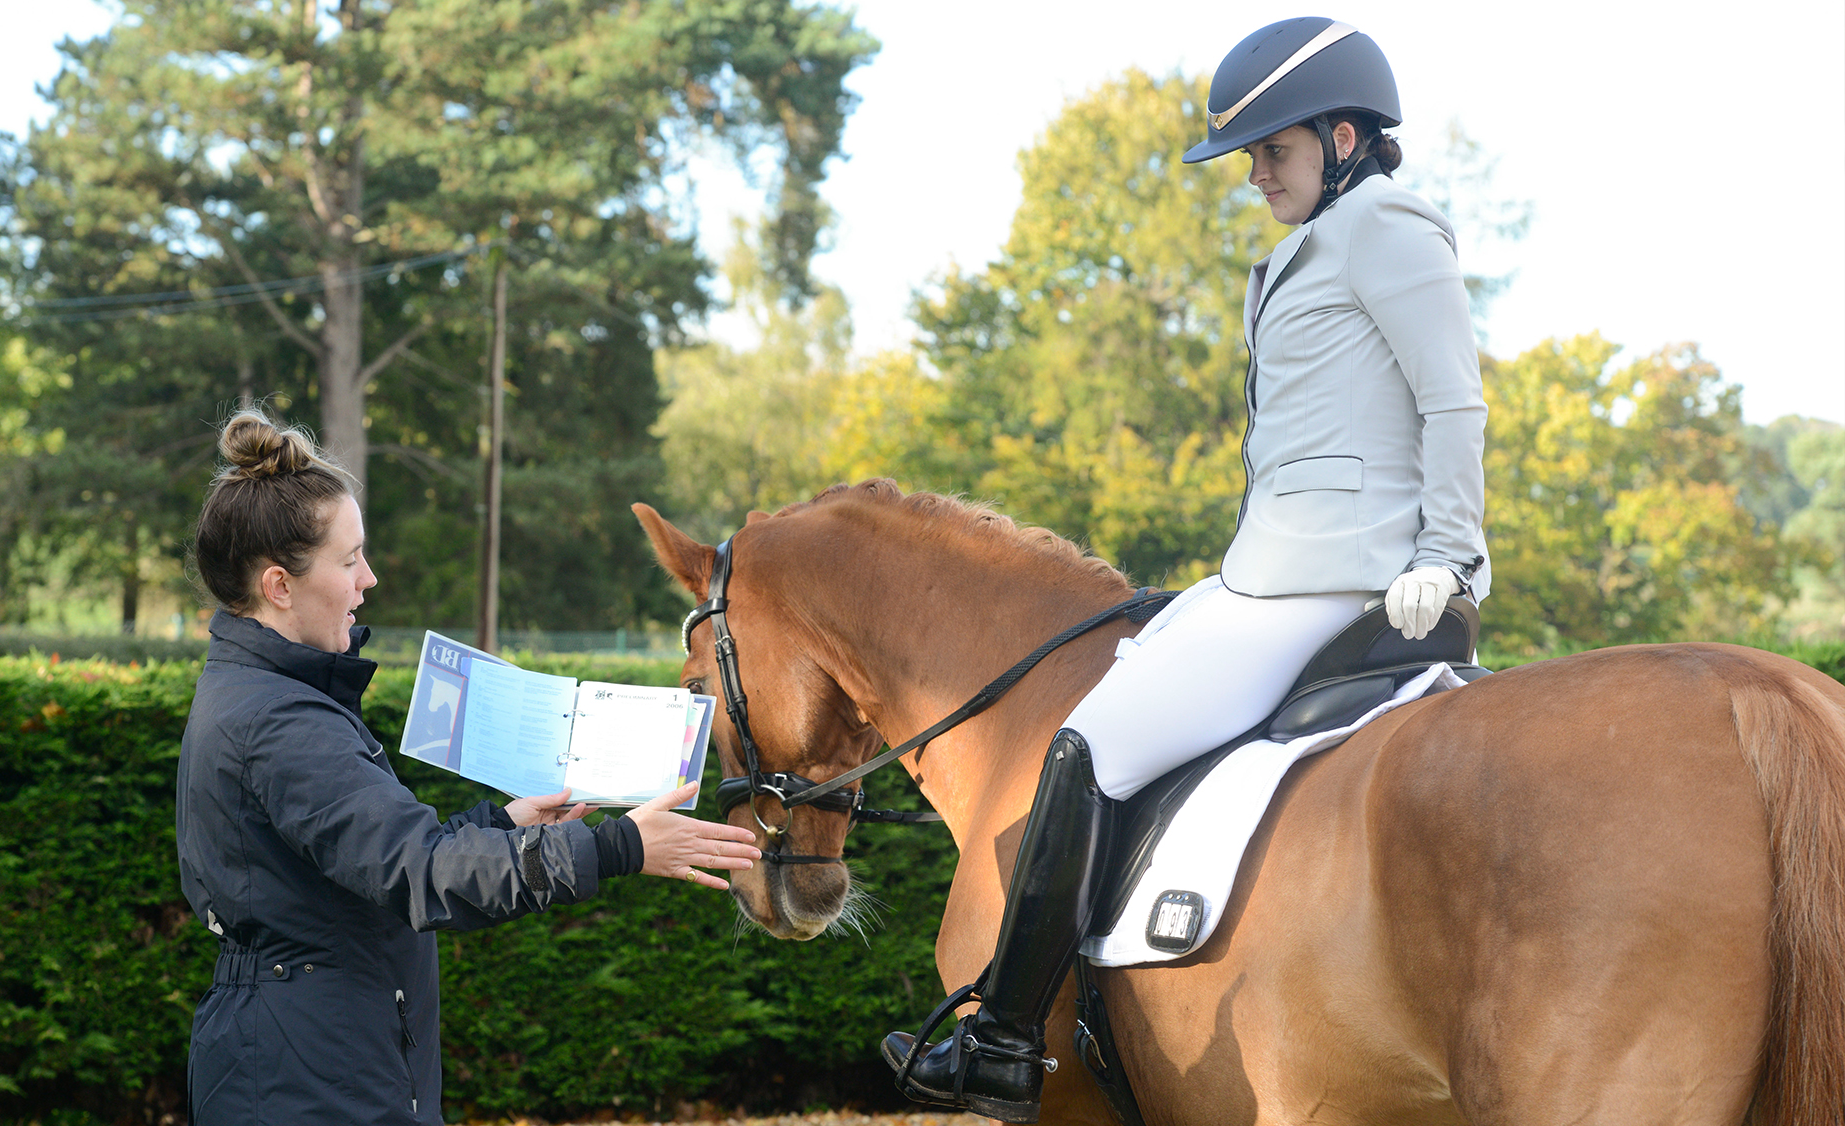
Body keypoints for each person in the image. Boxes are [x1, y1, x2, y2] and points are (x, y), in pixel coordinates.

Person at [881, 17, 1491, 1123]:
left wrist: (1448, 556)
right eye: (1251, 157)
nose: (1256, 175)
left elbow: (1452, 400)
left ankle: (1008, 1038)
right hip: (1267, 572)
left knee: (1083, 745)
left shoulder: (1383, 228)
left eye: (1275, 151)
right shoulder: (1315, 239)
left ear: (1344, 136)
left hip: (1333, 586)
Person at [177, 410, 763, 1126]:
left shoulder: (268, 693)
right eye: (349, 559)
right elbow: (423, 872)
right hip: (305, 1078)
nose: (369, 579)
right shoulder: (280, 722)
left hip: (311, 1056)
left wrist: (505, 822)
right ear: (279, 585)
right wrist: (623, 846)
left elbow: (372, 864)